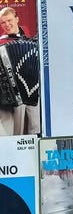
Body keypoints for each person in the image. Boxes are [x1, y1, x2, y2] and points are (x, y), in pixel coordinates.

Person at [0, 7, 40, 135]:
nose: (7, 24)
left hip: (34, 87)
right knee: (17, 130)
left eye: (9, 20)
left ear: (17, 19)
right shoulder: (2, 43)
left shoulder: (29, 38)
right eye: (3, 22)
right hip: (13, 93)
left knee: (36, 125)